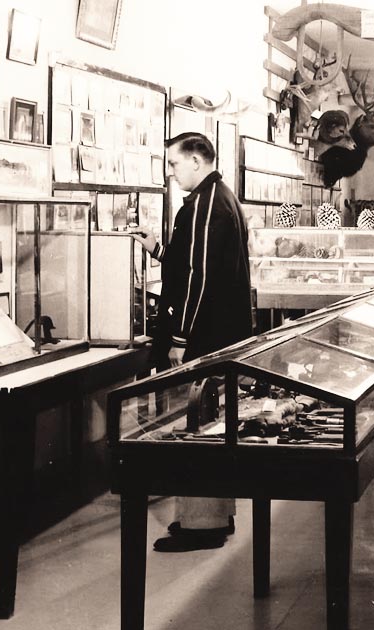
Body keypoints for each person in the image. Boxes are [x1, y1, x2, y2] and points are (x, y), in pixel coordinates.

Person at [131, 132, 254, 552]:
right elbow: (192, 263)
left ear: (197, 162)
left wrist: (181, 336)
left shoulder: (204, 205)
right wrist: (159, 250)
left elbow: (199, 281)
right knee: (213, 423)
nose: (170, 172)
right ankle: (216, 515)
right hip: (219, 331)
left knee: (199, 425)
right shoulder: (221, 197)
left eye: (174, 163)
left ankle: (204, 525)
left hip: (205, 335)